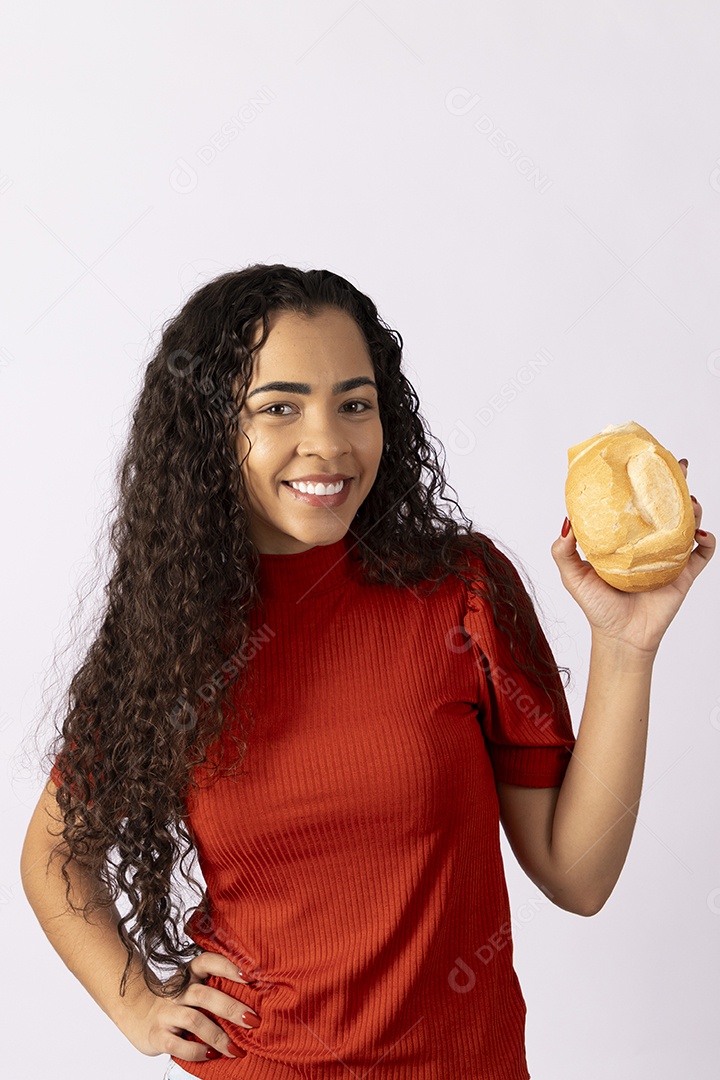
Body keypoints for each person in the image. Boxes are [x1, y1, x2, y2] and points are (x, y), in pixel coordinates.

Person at [20, 264, 714, 1079]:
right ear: (212, 426)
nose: (331, 442)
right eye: (280, 407)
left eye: (355, 403)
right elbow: (54, 855)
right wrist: (137, 1002)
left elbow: (578, 875)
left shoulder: (464, 591)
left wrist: (626, 645)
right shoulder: (170, 633)